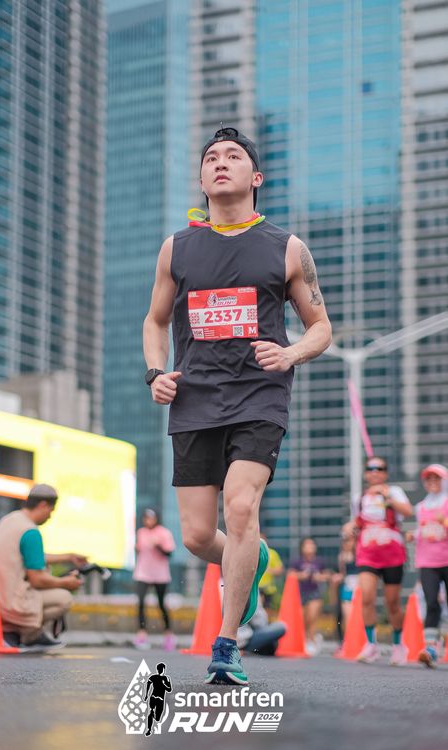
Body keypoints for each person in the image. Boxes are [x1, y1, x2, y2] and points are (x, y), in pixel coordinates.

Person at [143, 125, 332, 684]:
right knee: (198, 536)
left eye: (232, 156)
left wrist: (290, 353)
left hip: (259, 395)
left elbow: (321, 327)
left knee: (242, 507)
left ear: (257, 177)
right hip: (194, 398)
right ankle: (254, 559)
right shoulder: (177, 247)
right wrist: (156, 372)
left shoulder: (287, 248)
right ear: (202, 180)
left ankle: (226, 644)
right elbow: (155, 321)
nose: (220, 162)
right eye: (211, 158)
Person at [0, 483, 87, 649]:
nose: (50, 516)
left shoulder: (10, 520)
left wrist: (69, 557)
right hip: (10, 603)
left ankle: (14, 631)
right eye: (51, 511)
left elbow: (28, 557)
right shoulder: (31, 532)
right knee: (64, 599)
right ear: (43, 505)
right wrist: (66, 583)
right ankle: (24, 634)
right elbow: (37, 579)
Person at [343, 456, 413, 665]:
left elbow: (408, 512)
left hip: (392, 554)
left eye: (379, 468)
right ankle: (371, 645)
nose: (375, 472)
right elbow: (358, 522)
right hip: (367, 553)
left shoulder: (394, 491)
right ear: (366, 473)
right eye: (371, 468)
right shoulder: (359, 498)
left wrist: (387, 496)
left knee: (392, 603)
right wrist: (350, 528)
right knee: (366, 597)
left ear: (386, 473)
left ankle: (398, 645)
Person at [412, 464, 448, 667]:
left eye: (437, 478)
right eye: (429, 479)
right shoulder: (421, 507)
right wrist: (413, 535)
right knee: (431, 603)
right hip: (427, 562)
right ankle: (431, 648)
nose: (432, 482)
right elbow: (423, 531)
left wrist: (445, 522)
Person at [133, 508, 176, 651]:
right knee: (141, 603)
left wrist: (158, 546)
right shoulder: (141, 533)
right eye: (146, 518)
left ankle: (168, 634)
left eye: (151, 518)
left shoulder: (164, 533)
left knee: (161, 604)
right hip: (143, 573)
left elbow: (169, 553)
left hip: (160, 574)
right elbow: (139, 549)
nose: (148, 521)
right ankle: (142, 634)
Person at [288, 537, 332, 655]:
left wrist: (320, 577)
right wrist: (301, 575)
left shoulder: (319, 561)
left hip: (315, 592)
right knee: (303, 619)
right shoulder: (297, 562)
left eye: (311, 545)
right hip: (300, 593)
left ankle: (312, 640)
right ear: (302, 548)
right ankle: (305, 639)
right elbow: (290, 574)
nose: (309, 547)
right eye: (307, 545)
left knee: (312, 617)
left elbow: (327, 575)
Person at [144, 662, 172, 737]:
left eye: (161, 669)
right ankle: (149, 729)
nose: (160, 670)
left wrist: (163, 684)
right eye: (159, 669)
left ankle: (153, 715)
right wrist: (146, 695)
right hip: (155, 698)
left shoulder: (166, 678)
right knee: (151, 712)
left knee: (157, 718)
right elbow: (148, 684)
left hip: (158, 699)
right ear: (158, 669)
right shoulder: (154, 677)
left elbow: (169, 689)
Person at [258, 532, 284, 613]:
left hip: (268, 589)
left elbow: (280, 570)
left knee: (267, 611)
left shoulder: (272, 553)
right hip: (256, 588)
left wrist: (268, 570)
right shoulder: (250, 553)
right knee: (257, 610)